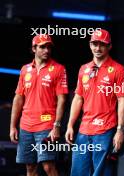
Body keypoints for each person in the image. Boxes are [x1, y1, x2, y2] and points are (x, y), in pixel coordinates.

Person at [65, 29, 124, 176]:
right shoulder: (83, 69)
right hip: (84, 129)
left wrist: (120, 130)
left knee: (101, 173)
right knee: (77, 173)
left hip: (105, 130)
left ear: (109, 46)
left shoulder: (118, 69)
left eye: (102, 44)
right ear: (89, 45)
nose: (97, 48)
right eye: (94, 44)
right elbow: (78, 98)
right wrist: (69, 125)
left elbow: (122, 100)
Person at [10, 34, 68, 176]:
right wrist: (13, 126)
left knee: (48, 166)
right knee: (30, 167)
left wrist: (57, 125)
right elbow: (18, 98)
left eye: (49, 47)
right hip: (26, 126)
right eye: (42, 47)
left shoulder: (59, 69)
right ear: (34, 48)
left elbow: (62, 99)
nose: (46, 50)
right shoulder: (25, 70)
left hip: (46, 124)